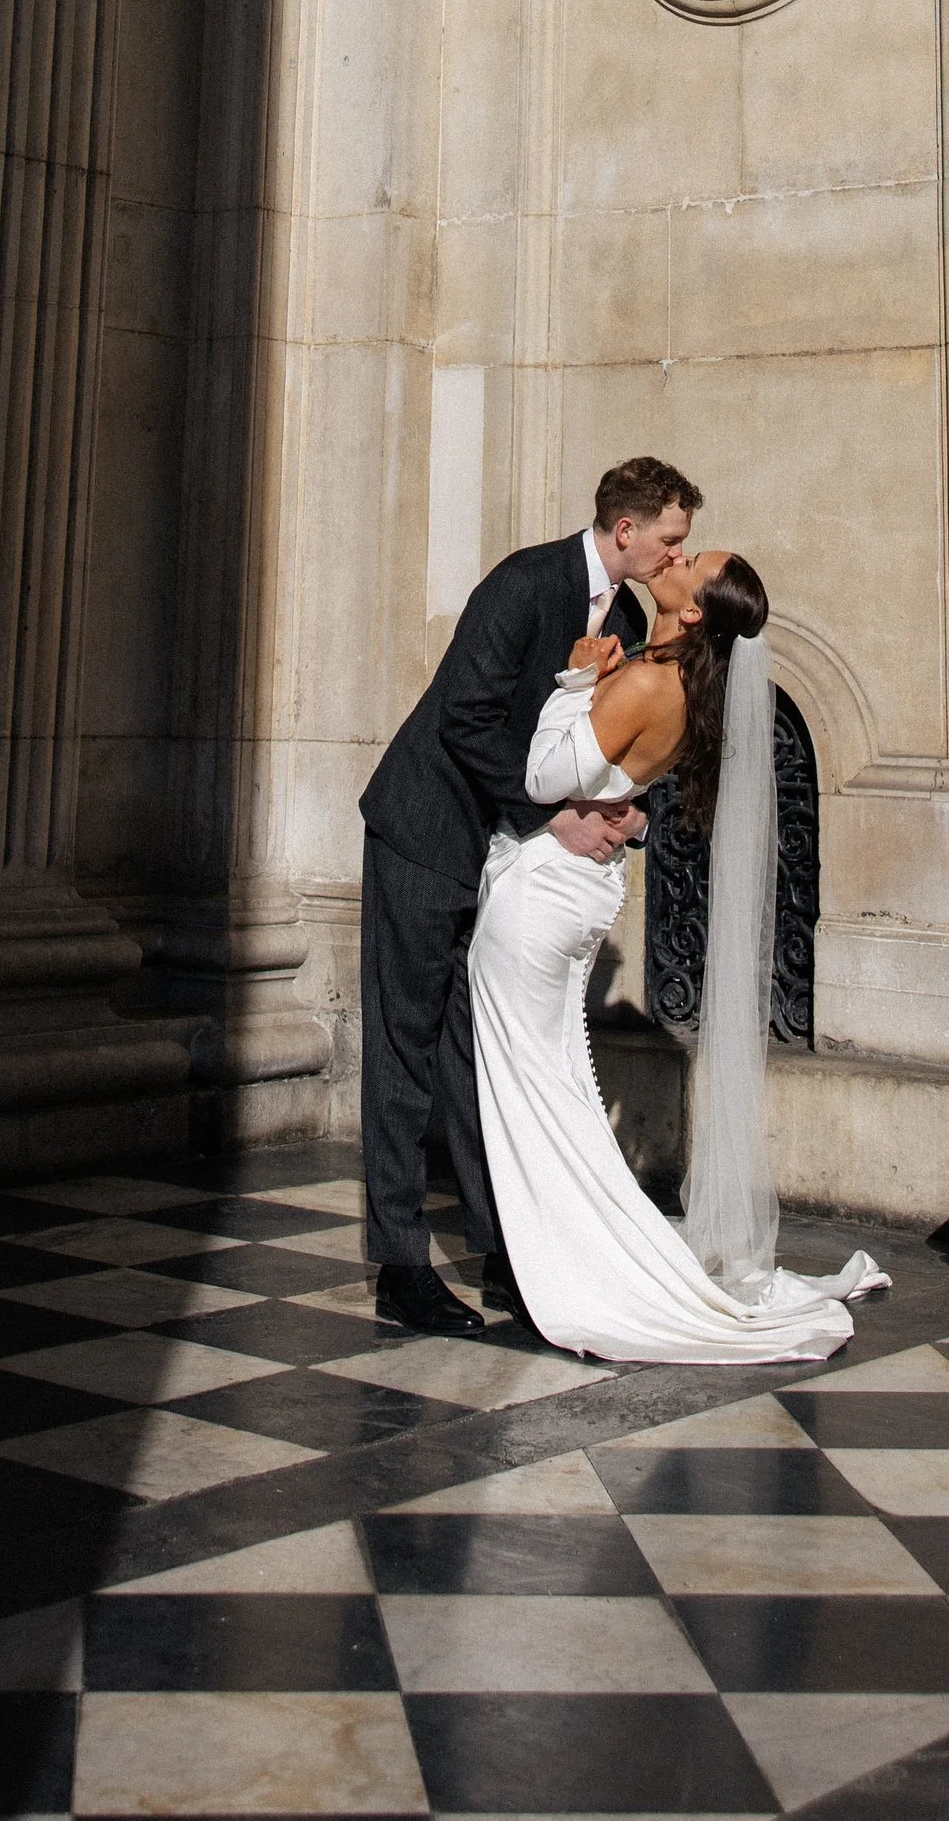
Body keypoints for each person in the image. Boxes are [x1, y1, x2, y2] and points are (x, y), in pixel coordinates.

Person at [467, 547, 888, 1361]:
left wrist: (575, 682)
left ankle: (588, 1270)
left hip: (544, 892)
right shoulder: (678, 680)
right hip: (579, 894)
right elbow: (624, 788)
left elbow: (544, 774)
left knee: (536, 1098)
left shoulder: (651, 681)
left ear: (694, 610)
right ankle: (569, 1252)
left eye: (691, 559)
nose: (677, 554)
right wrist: (626, 807)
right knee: (557, 1091)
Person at [356, 457, 700, 1332]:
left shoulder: (623, 613)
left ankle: (506, 1253)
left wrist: (620, 811)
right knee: (406, 1044)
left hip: (502, 854)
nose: (674, 557)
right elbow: (465, 715)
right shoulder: (524, 581)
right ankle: (400, 1264)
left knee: (477, 1056)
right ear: (626, 531)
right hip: (427, 831)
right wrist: (553, 825)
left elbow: (595, 740)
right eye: (670, 539)